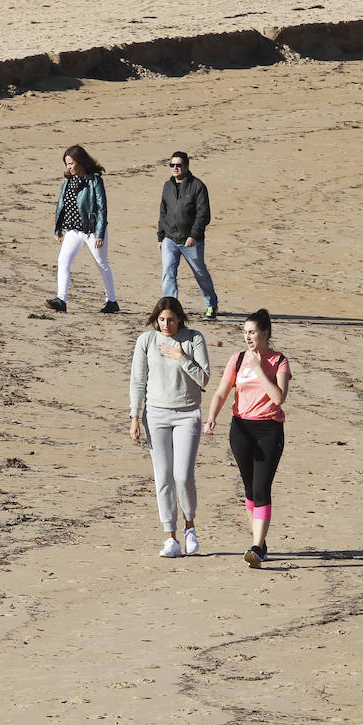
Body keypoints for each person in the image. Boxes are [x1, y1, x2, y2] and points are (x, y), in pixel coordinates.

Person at [206, 309, 291, 568]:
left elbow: (278, 398)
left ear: (265, 333)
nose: (247, 337)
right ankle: (260, 543)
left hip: (268, 430)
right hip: (240, 429)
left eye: (252, 332)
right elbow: (222, 392)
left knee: (262, 487)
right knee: (249, 489)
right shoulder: (237, 358)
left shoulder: (279, 361)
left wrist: (259, 369)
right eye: (244, 332)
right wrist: (212, 416)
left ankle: (256, 547)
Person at [130, 297, 211, 558]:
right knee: (163, 476)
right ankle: (170, 538)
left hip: (188, 414)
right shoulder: (146, 341)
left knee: (183, 476)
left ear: (180, 319)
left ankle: (190, 527)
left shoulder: (194, 339)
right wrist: (134, 416)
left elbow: (204, 379)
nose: (166, 324)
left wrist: (182, 357)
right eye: (162, 319)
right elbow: (138, 380)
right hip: (155, 415)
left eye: (171, 320)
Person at [48, 144, 118, 314]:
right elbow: (62, 206)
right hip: (74, 230)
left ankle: (112, 301)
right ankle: (61, 300)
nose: (69, 167)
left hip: (92, 231)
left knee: (102, 265)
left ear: (80, 162)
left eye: (71, 163)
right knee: (63, 261)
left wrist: (99, 233)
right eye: (67, 164)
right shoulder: (68, 181)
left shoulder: (95, 181)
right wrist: (59, 229)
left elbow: (102, 208)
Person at [157, 151, 219, 320]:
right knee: (168, 272)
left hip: (191, 241)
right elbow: (163, 212)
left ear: (186, 166)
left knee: (200, 272)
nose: (175, 168)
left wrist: (193, 235)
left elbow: (203, 215)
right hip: (170, 238)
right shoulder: (167, 186)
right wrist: (160, 236)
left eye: (178, 165)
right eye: (172, 165)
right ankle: (171, 309)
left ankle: (211, 304)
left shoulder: (197, 186)